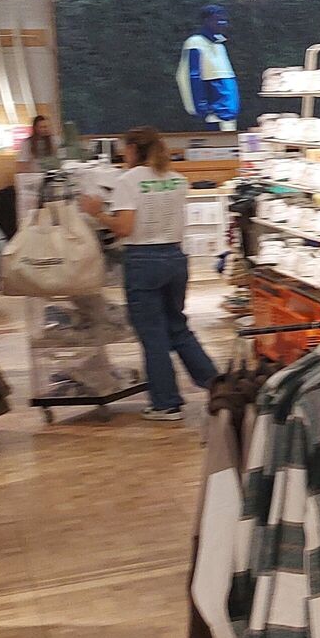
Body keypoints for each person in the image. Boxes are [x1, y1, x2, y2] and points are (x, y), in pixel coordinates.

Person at [79, 126, 220, 423]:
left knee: (152, 334)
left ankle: (166, 403)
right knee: (178, 327)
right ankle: (217, 386)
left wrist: (97, 212)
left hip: (143, 261)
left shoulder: (128, 181)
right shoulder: (177, 180)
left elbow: (124, 228)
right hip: (176, 258)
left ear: (132, 149)